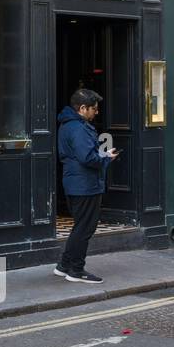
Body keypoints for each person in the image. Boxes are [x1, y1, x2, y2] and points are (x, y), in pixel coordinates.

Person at [55, 88, 119, 283]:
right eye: (94, 108)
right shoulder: (78, 128)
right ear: (83, 108)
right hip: (85, 185)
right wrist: (107, 157)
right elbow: (87, 157)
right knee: (85, 228)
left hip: (76, 182)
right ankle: (76, 270)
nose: (96, 112)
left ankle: (64, 265)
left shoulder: (69, 125)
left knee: (80, 226)